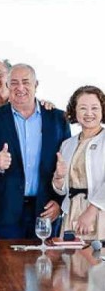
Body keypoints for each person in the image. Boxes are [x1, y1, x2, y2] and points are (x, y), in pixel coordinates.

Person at [0, 63, 71, 239]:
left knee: (45, 265)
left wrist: (59, 203)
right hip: (4, 213)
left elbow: (67, 166)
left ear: (36, 85)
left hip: (46, 211)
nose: (20, 88)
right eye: (14, 83)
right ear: (7, 86)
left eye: (26, 82)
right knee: (6, 266)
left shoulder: (58, 119)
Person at [52, 86, 105, 239]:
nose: (89, 113)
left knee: (98, 261)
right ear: (74, 111)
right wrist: (59, 178)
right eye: (83, 108)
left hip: (99, 213)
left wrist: (91, 211)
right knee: (70, 261)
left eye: (94, 108)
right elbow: (61, 190)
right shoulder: (67, 144)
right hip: (71, 214)